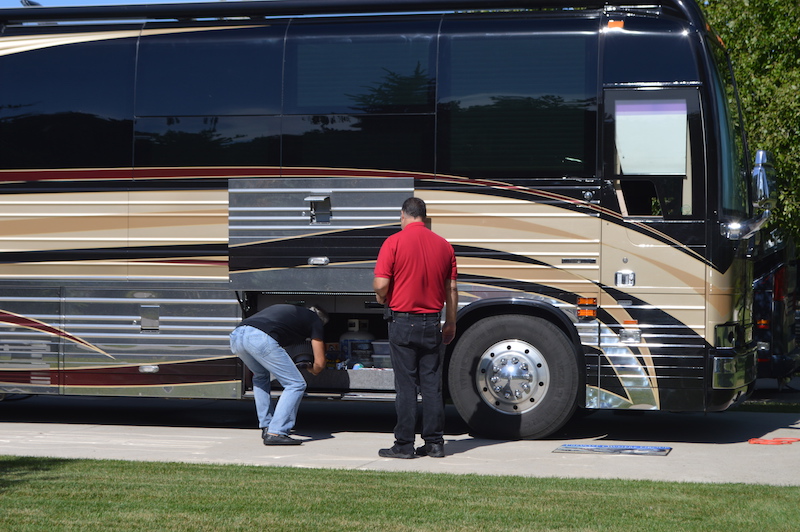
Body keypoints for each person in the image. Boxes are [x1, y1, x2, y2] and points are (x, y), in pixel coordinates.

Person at [373, 197, 458, 459]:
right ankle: (434, 443)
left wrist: (381, 298)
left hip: (402, 322)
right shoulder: (444, 246)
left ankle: (404, 445)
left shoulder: (394, 242)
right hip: (432, 322)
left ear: (404, 215)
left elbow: (380, 283)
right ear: (424, 216)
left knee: (407, 385)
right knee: (432, 385)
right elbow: (451, 288)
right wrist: (450, 321)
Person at [229, 304, 327, 445]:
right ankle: (277, 432)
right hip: (260, 338)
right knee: (296, 384)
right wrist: (313, 369)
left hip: (237, 336)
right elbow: (320, 363)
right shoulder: (315, 320)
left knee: (260, 377)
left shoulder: (289, 313)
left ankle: (267, 426)